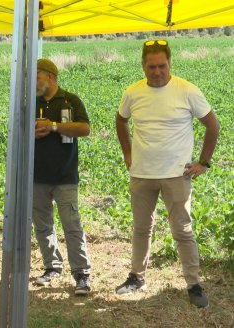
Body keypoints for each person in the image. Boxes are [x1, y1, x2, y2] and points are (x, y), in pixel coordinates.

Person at [115, 40, 220, 308]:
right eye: (152, 67)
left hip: (177, 174)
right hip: (142, 174)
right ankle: (137, 277)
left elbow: (212, 125)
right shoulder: (133, 92)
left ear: (170, 64)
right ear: (143, 66)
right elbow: (120, 120)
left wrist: (204, 163)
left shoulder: (187, 91)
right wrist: (128, 153)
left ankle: (193, 284)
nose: (157, 71)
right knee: (141, 228)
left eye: (162, 66)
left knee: (183, 231)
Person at [32, 58, 92, 295]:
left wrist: (53, 126)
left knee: (71, 225)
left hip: (65, 175)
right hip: (37, 176)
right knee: (43, 225)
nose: (33, 81)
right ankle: (52, 267)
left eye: (37, 76)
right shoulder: (31, 102)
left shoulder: (70, 100)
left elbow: (84, 129)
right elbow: (18, 129)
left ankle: (82, 274)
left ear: (51, 77)